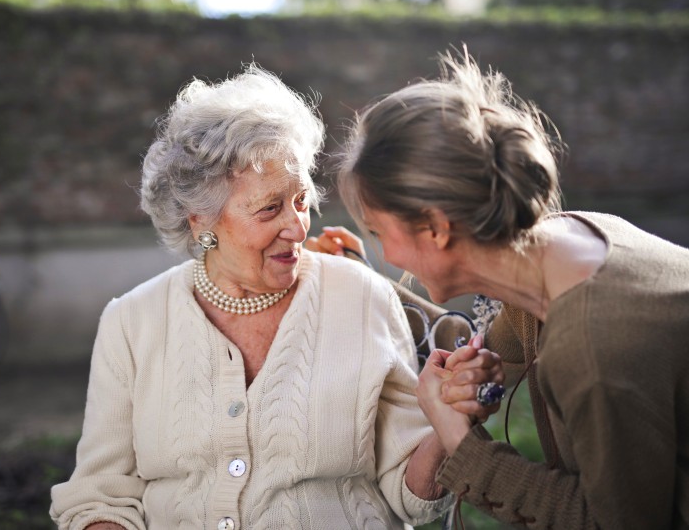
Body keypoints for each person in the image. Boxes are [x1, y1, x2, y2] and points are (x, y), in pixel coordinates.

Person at [49, 64, 503, 530]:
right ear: (199, 220)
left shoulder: (360, 296)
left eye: (301, 200)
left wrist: (446, 421)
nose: (298, 226)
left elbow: (414, 497)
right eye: (270, 208)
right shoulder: (131, 321)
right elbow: (100, 497)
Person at [325, 48, 689, 528]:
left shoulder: (592, 348)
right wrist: (356, 278)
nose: (387, 255)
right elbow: (476, 343)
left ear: (434, 228)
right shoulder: (570, 242)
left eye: (378, 233)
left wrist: (462, 445)